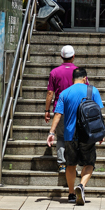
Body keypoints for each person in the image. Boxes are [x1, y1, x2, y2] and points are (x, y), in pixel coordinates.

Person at [47, 67, 104, 205]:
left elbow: (58, 114)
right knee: (89, 164)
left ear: (73, 79)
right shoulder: (93, 90)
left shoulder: (65, 93)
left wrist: (51, 132)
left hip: (69, 135)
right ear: (85, 78)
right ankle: (82, 186)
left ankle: (71, 193)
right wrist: (101, 132)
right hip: (88, 135)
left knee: (70, 165)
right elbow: (98, 114)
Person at [45, 45, 77, 174]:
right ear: (73, 56)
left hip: (60, 109)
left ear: (61, 57)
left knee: (61, 137)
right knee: (75, 137)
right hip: (75, 108)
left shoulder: (54, 72)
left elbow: (49, 93)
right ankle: (72, 163)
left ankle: (62, 164)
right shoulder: (79, 72)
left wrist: (47, 110)